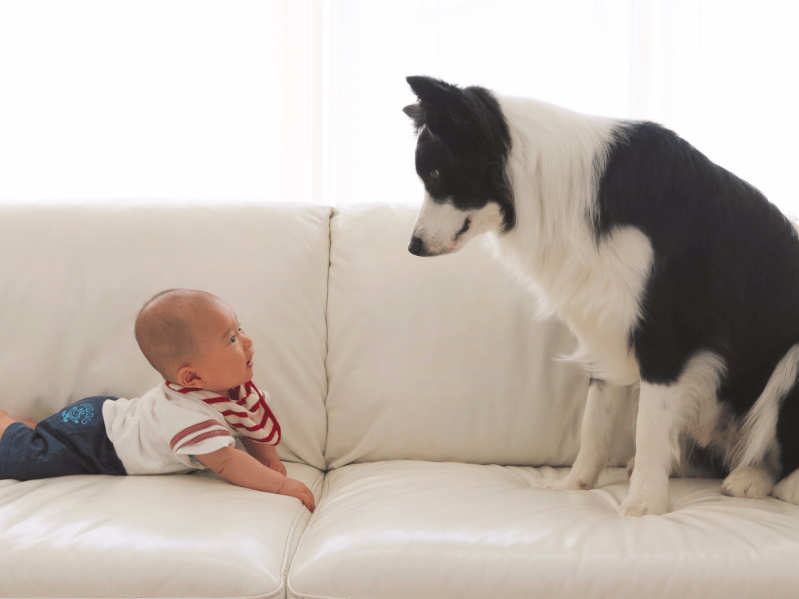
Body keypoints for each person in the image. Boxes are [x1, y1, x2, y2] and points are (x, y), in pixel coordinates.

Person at [0, 289, 315, 512]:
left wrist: (267, 460)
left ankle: (36, 429)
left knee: (50, 437)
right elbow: (226, 461)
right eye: (231, 339)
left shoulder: (233, 391)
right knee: (27, 458)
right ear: (191, 378)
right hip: (100, 442)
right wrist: (279, 485)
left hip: (108, 418)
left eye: (239, 328)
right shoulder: (189, 414)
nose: (247, 341)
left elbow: (250, 426)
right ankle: (8, 427)